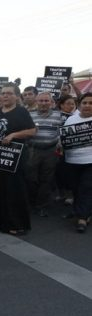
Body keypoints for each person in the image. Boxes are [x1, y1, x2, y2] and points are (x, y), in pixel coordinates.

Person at [0, 82, 37, 235]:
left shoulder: (22, 112)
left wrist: (14, 135)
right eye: (3, 93)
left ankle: (16, 224)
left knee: (13, 191)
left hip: (14, 159)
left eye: (9, 93)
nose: (5, 96)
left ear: (17, 96)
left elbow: (32, 131)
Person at [25, 91, 65, 217]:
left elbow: (64, 132)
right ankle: (32, 202)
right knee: (31, 178)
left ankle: (41, 206)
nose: (43, 103)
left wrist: (60, 144)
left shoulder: (60, 116)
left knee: (46, 179)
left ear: (51, 102)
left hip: (50, 151)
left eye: (46, 101)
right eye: (41, 101)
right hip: (32, 150)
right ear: (36, 102)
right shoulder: (28, 115)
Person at [62, 92, 92, 233]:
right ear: (79, 104)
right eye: (85, 102)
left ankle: (82, 218)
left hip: (90, 160)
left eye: (91, 103)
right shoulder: (71, 120)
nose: (87, 105)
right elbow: (63, 138)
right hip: (72, 160)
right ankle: (80, 211)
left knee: (86, 187)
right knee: (75, 187)